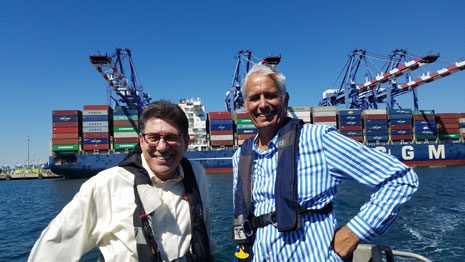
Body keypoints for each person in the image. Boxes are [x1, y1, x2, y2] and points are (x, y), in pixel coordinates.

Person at [232, 63, 418, 261]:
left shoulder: (318, 139)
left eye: (270, 95)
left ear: (285, 100)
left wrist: (354, 232)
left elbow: (401, 178)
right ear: (245, 105)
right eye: (254, 98)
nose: (262, 105)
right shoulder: (241, 157)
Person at [29, 100, 215, 261]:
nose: (162, 146)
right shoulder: (106, 184)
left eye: (172, 137)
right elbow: (51, 250)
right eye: (153, 137)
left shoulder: (197, 175)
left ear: (186, 142)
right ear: (141, 141)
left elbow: (205, 234)